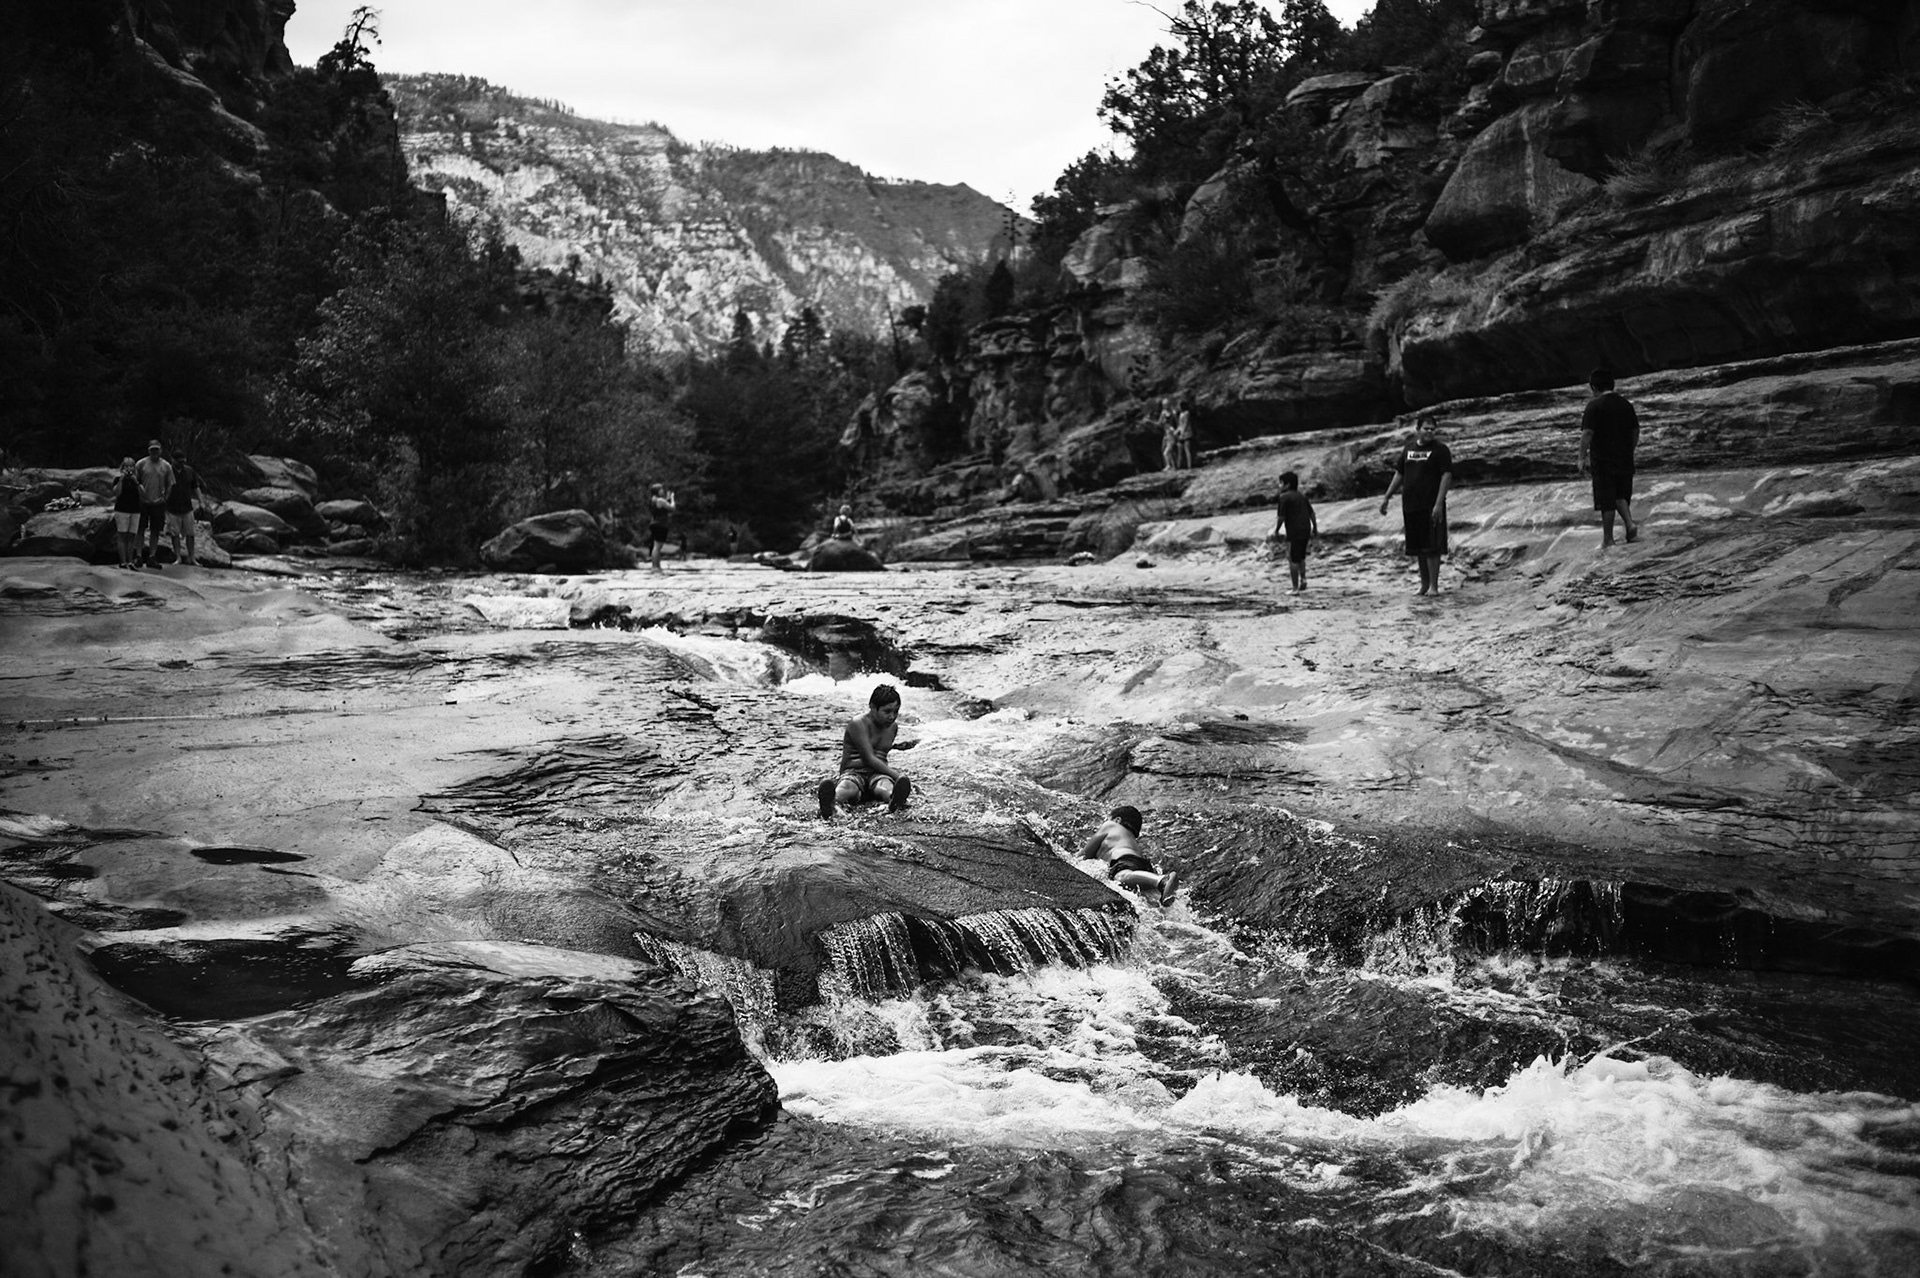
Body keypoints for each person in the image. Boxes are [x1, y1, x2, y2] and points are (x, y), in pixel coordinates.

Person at [1378, 415, 1454, 596]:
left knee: (1432, 547)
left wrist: (1438, 504)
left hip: (1431, 505)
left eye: (1432, 429)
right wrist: (1387, 497)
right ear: (1417, 429)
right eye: (1426, 428)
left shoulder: (1440, 450)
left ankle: (1434, 587)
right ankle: (1424, 585)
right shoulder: (1408, 449)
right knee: (1419, 547)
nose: (1429, 432)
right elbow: (1399, 474)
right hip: (1411, 506)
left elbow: (1446, 476)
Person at [818, 684, 912, 818]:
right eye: (887, 711)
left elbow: (880, 758)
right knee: (848, 787)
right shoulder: (858, 723)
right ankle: (831, 803)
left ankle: (895, 800)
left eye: (896, 711)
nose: (892, 716)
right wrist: (898, 777)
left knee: (884, 786)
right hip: (855, 772)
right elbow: (869, 758)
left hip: (877, 774)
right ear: (873, 707)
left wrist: (901, 785)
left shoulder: (893, 727)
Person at [1580, 367, 1641, 547]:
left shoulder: (1594, 406)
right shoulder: (1625, 404)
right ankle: (1630, 526)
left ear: (1593, 387)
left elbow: (1587, 433)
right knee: (1621, 494)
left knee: (1606, 500)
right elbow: (1635, 430)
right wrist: (1629, 449)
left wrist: (1581, 458)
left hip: (1603, 460)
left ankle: (1608, 539)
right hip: (1624, 458)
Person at [1079, 805, 1178, 906]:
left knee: (1120, 877)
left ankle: (1162, 881)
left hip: (1124, 860)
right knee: (1145, 899)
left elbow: (1083, 856)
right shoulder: (1131, 841)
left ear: (1117, 820)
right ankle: (1159, 888)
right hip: (1141, 865)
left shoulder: (1110, 825)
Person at [1271, 470, 1318, 594]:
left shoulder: (1284, 497)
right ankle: (1303, 579)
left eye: (1281, 483)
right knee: (1301, 556)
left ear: (1287, 485)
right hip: (1305, 529)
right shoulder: (1302, 496)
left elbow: (1281, 517)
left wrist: (1276, 531)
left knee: (1292, 558)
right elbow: (1312, 513)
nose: (1279, 486)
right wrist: (1315, 528)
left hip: (1294, 531)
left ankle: (1295, 588)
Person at [132, 439, 174, 567]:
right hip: (143, 501)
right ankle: (138, 555)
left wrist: (166, 497)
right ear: (149, 451)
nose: (154, 452)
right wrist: (138, 495)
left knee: (155, 530)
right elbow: (134, 480)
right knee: (140, 529)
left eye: (156, 449)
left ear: (160, 450)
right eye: (152, 450)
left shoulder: (166, 466)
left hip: (158, 502)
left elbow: (171, 483)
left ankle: (152, 556)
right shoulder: (141, 464)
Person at [164, 450, 199, 567]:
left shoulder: (189, 471)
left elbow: (196, 487)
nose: (181, 463)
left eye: (183, 461)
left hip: (187, 507)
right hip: (172, 507)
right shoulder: (168, 471)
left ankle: (191, 557)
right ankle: (178, 557)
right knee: (175, 534)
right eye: (179, 461)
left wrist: (201, 501)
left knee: (191, 533)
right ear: (173, 460)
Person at [111, 458, 143, 569]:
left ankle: (130, 561)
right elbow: (116, 493)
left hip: (135, 510)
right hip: (121, 510)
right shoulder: (118, 479)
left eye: (131, 466)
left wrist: (136, 482)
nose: (129, 469)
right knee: (122, 535)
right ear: (122, 468)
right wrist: (122, 480)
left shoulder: (137, 480)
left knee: (131, 536)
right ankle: (123, 561)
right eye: (127, 466)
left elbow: (143, 494)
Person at [647, 483, 675, 573]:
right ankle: (655, 567)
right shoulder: (660, 500)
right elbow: (672, 508)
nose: (662, 490)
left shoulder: (653, 500)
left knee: (657, 546)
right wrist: (673, 498)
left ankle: (656, 566)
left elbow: (663, 507)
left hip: (655, 524)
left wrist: (668, 498)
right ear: (657, 491)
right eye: (661, 489)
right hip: (660, 524)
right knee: (657, 546)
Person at [1172, 399, 1195, 470]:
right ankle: (1178, 466)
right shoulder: (1180, 414)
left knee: (1187, 450)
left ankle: (1189, 466)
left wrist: (1183, 432)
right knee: (1180, 450)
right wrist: (1176, 431)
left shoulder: (1186, 413)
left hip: (1187, 433)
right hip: (1182, 434)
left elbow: (1186, 423)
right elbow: (1180, 425)